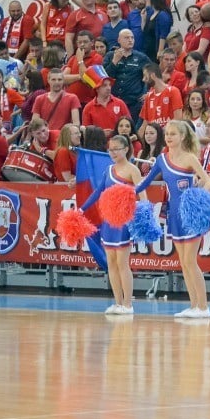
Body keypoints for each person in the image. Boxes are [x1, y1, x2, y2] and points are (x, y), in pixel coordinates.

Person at [134, 121, 210, 318]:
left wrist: (196, 201)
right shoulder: (161, 159)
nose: (169, 137)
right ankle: (194, 305)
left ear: (183, 137)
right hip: (174, 216)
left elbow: (209, 182)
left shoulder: (189, 158)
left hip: (190, 215)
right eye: (167, 134)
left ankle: (203, 307)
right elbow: (146, 181)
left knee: (190, 261)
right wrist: (127, 191)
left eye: (173, 134)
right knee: (184, 263)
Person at [78, 135, 147, 315]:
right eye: (110, 149)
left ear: (126, 149)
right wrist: (81, 209)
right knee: (111, 263)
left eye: (117, 149)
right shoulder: (108, 170)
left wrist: (137, 212)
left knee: (122, 263)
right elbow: (97, 192)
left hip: (123, 222)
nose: (113, 152)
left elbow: (143, 197)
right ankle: (117, 302)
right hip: (108, 222)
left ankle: (128, 304)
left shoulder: (133, 170)